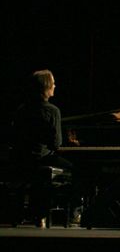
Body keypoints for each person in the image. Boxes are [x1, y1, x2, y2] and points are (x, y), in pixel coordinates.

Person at [9, 69, 76, 226]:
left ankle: (33, 214)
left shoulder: (21, 109)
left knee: (37, 173)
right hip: (42, 157)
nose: (55, 86)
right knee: (75, 171)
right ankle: (73, 213)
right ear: (46, 87)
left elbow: (15, 137)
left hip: (22, 160)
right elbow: (56, 144)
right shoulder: (52, 111)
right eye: (52, 83)